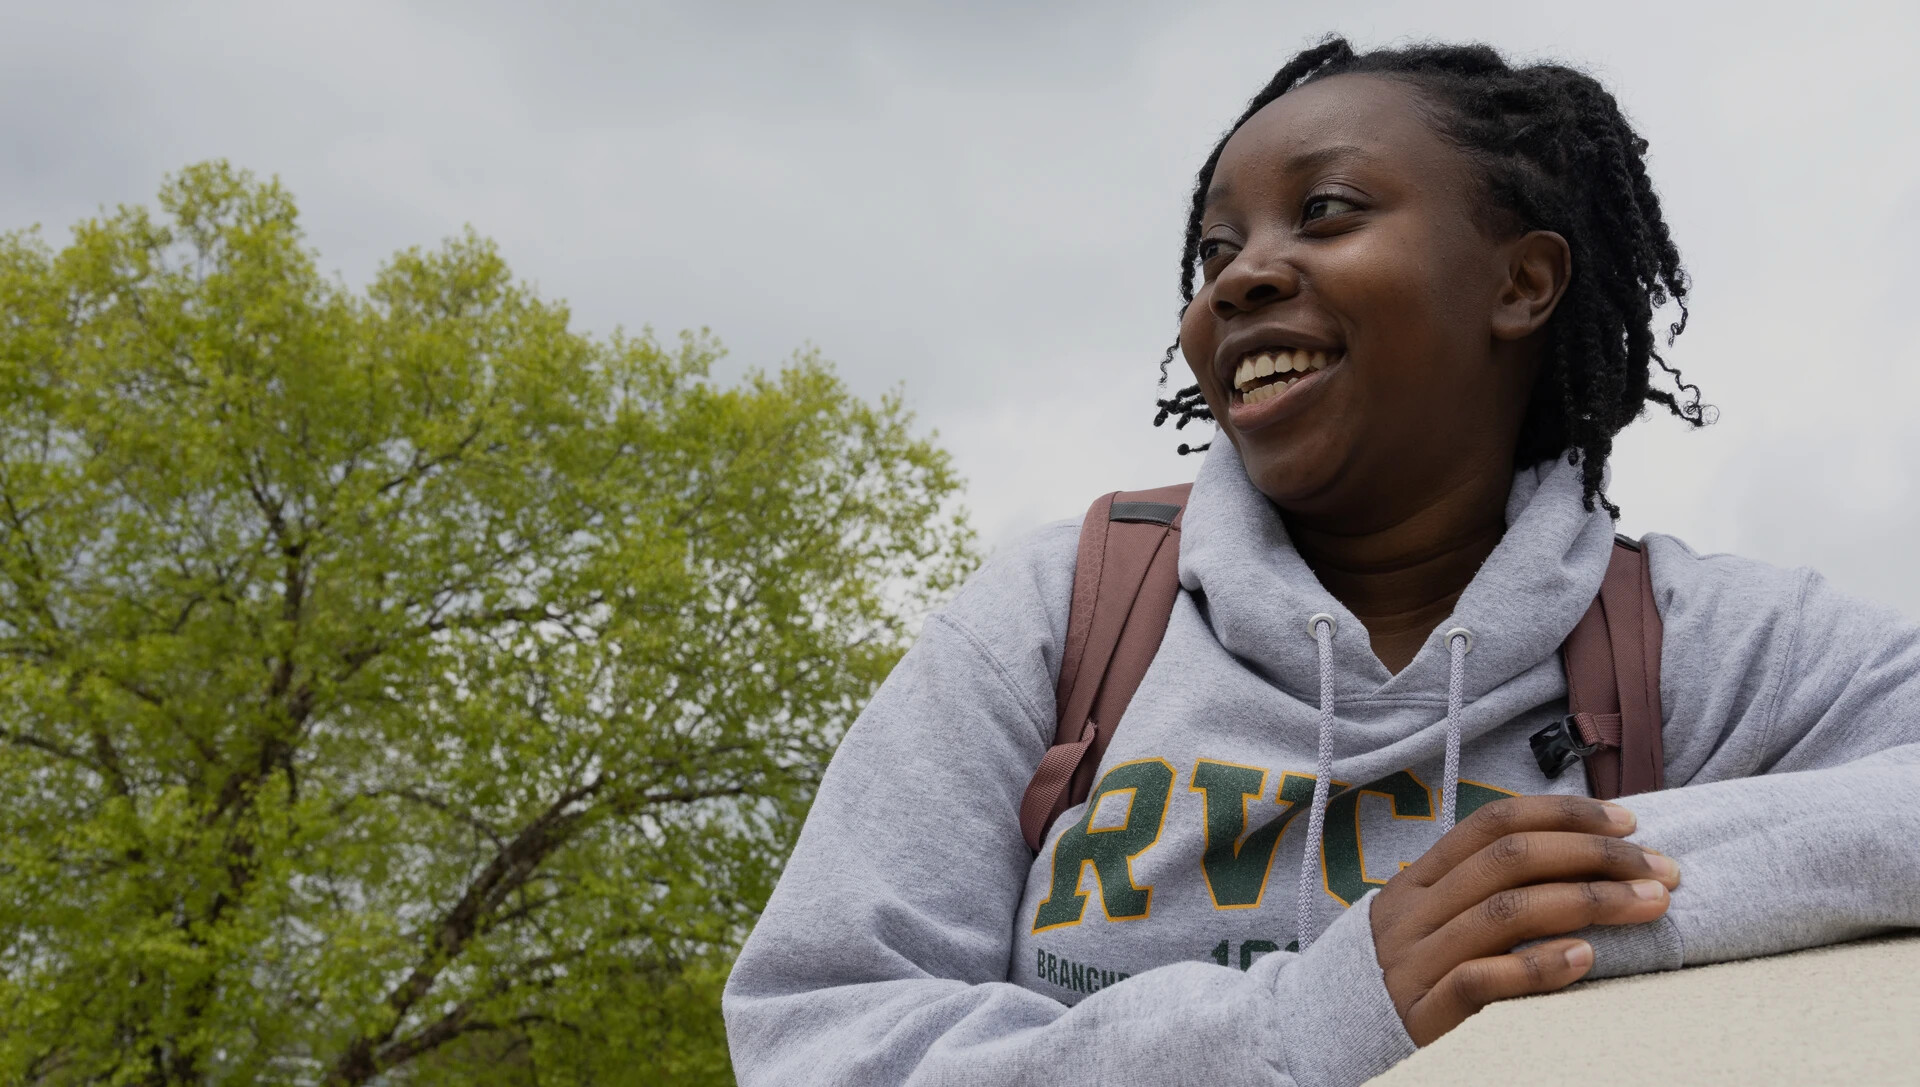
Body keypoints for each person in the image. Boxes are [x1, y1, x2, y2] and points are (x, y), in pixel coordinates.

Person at [721, 37, 1920, 1086]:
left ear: (1522, 282)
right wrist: (1312, 1021)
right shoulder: (1063, 615)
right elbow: (819, 1037)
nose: (1238, 278)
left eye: (1329, 211)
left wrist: (1564, 905)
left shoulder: (1698, 645)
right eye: (1213, 254)